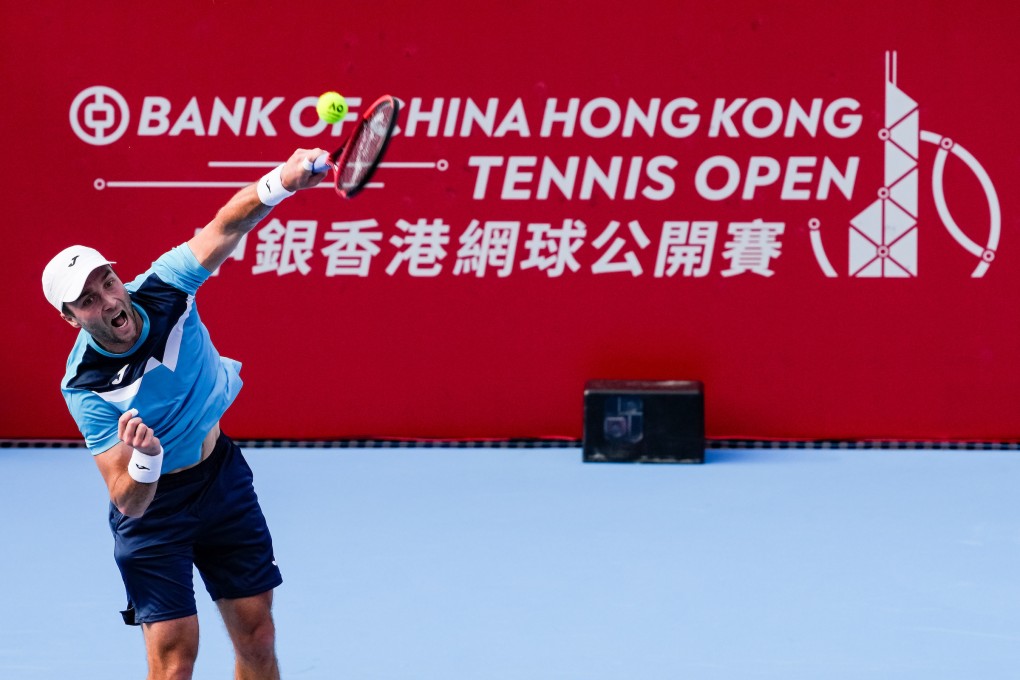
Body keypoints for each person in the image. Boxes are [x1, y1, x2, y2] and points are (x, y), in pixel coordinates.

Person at [41, 148, 328, 680]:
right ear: (70, 318)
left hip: (220, 480)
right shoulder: (84, 386)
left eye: (107, 281)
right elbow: (126, 499)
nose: (106, 300)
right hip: (154, 513)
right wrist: (146, 461)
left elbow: (227, 222)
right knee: (175, 662)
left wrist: (283, 181)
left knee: (257, 635)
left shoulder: (166, 286)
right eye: (86, 300)